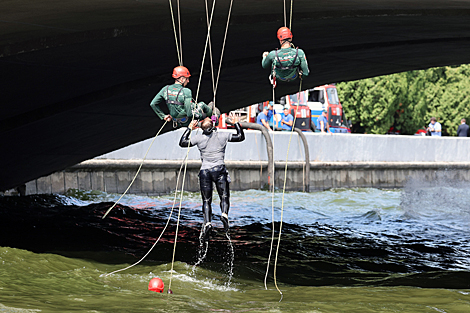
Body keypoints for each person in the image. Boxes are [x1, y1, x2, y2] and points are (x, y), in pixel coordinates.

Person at [179, 114, 245, 239]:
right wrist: (236, 123)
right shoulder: (222, 135)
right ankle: (224, 214)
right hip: (219, 170)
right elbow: (240, 137)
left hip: (205, 172)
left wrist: (189, 129)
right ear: (213, 126)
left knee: (206, 200)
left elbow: (182, 143)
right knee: (224, 196)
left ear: (202, 128)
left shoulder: (198, 138)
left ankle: (208, 222)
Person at [150, 66, 219, 127]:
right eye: (187, 78)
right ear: (182, 79)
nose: (188, 81)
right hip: (186, 121)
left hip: (176, 121)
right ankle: (215, 121)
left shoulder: (165, 89)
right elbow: (189, 114)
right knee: (203, 104)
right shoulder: (186, 91)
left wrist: (163, 116)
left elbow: (153, 104)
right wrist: (202, 116)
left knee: (196, 105)